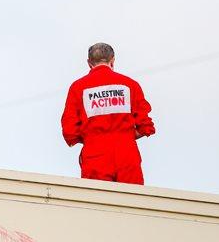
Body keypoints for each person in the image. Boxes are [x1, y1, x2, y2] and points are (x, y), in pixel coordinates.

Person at [61, 42, 155, 185]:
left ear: (89, 63)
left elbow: (70, 131)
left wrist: (92, 137)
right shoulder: (130, 85)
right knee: (132, 202)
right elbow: (145, 126)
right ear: (113, 60)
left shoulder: (78, 87)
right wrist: (125, 135)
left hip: (95, 155)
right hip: (127, 154)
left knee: (99, 202)